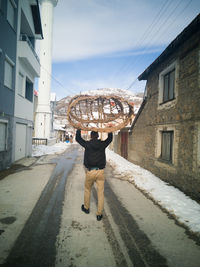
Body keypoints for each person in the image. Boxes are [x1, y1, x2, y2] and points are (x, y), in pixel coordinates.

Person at [76, 129, 113, 221]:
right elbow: (110, 139)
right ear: (98, 136)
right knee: (100, 193)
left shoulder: (87, 144)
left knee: (87, 189)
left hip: (90, 172)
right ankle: (99, 214)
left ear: (90, 136)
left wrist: (79, 129)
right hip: (100, 172)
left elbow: (78, 139)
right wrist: (110, 130)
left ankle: (86, 208)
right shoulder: (102, 145)